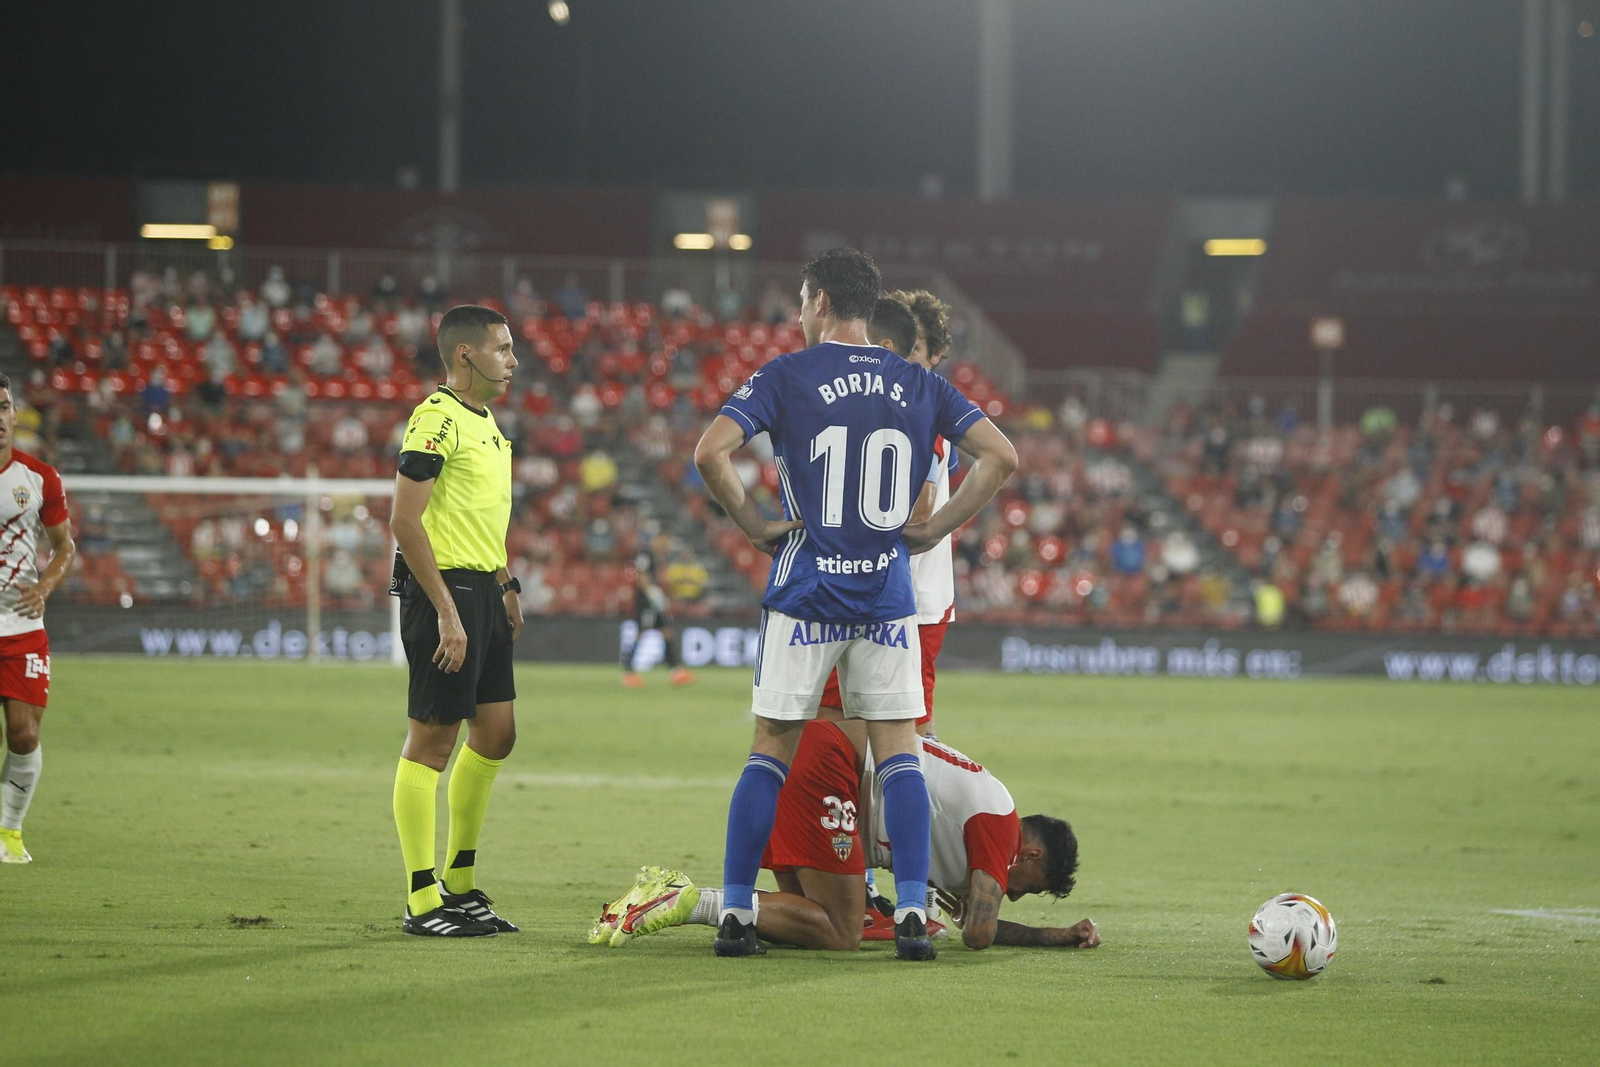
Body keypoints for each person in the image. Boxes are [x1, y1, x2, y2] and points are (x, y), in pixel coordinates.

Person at [692, 249, 1017, 960]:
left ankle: (739, 913)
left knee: (771, 746)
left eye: (801, 303)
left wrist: (753, 525)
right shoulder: (916, 380)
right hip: (885, 594)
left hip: (807, 587)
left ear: (817, 301)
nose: (797, 315)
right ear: (868, 309)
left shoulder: (785, 373)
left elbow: (710, 452)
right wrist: (934, 527)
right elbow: (1001, 456)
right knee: (899, 749)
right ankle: (906, 912)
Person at [589, 720, 1097, 953]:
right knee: (842, 931)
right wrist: (1053, 938)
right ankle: (690, 900)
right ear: (1029, 852)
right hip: (832, 770)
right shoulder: (1000, 823)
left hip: (812, 750)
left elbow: (966, 919)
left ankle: (699, 903)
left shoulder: (980, 816)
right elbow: (980, 933)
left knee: (805, 929)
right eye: (1025, 885)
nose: (1009, 892)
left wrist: (1054, 935)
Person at [388, 305, 524, 937]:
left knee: (497, 734)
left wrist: (505, 585)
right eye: (501, 348)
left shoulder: (488, 423)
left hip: (483, 593)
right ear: (465, 355)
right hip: (442, 594)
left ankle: (461, 882)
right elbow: (404, 522)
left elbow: (481, 516)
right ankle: (422, 898)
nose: (513, 360)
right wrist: (447, 610)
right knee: (434, 740)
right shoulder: (435, 419)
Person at [0, 374, 77, 864]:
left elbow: (64, 546)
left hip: (21, 627)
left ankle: (9, 832)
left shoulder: (39, 477)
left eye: (3, 407)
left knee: (24, 735)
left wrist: (45, 587)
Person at [620, 532, 694, 688]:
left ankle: (676, 671)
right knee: (641, 633)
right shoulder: (644, 553)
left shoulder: (654, 555)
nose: (666, 545)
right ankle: (628, 671)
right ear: (658, 538)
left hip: (654, 601)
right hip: (646, 601)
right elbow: (641, 575)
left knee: (667, 631)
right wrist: (652, 592)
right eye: (665, 541)